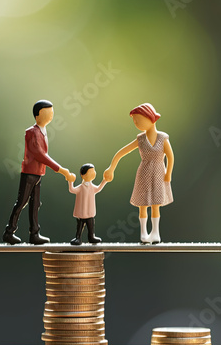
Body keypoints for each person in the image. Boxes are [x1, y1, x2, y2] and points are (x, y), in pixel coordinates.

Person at [2, 100, 75, 245]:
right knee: (22, 202)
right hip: (30, 173)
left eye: (52, 112)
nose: (51, 115)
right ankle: (9, 232)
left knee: (35, 204)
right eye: (48, 112)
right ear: (38, 114)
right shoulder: (32, 132)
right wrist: (61, 170)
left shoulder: (43, 131)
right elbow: (40, 154)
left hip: (38, 173)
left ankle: (34, 233)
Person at [103, 103, 174, 243]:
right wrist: (112, 167)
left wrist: (168, 173)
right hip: (144, 173)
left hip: (159, 173)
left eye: (139, 120)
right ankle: (143, 232)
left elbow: (171, 157)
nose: (136, 123)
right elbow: (122, 152)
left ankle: (155, 232)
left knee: (156, 203)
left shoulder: (163, 138)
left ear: (150, 118)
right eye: (135, 121)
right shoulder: (140, 139)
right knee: (143, 204)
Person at [68, 164, 106, 245]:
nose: (93, 173)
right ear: (83, 175)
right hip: (81, 212)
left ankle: (91, 237)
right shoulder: (81, 187)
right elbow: (72, 190)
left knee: (91, 226)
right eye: (90, 172)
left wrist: (104, 181)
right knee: (80, 226)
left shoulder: (92, 187)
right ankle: (78, 238)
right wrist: (70, 181)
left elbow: (99, 188)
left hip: (90, 212)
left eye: (93, 171)